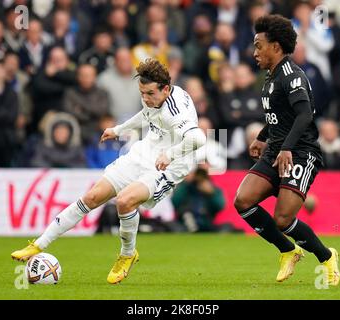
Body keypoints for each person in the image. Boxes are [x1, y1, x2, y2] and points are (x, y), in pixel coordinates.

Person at [11, 58, 206, 284]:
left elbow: (198, 138)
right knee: (92, 197)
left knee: (125, 201)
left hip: (170, 165)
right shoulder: (154, 97)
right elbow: (146, 115)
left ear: (165, 88)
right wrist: (119, 129)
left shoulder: (176, 109)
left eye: (150, 94)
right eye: (142, 93)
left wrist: (169, 154)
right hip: (144, 153)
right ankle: (39, 244)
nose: (145, 98)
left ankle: (127, 254)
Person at [233, 15, 340, 286]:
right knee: (243, 200)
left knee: (282, 219)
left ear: (276, 47)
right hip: (277, 150)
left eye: (259, 46)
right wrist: (261, 137)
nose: (255, 52)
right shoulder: (270, 77)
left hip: (300, 152)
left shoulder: (292, 76)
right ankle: (288, 250)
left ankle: (326, 257)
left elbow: (304, 115)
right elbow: (280, 117)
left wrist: (288, 148)